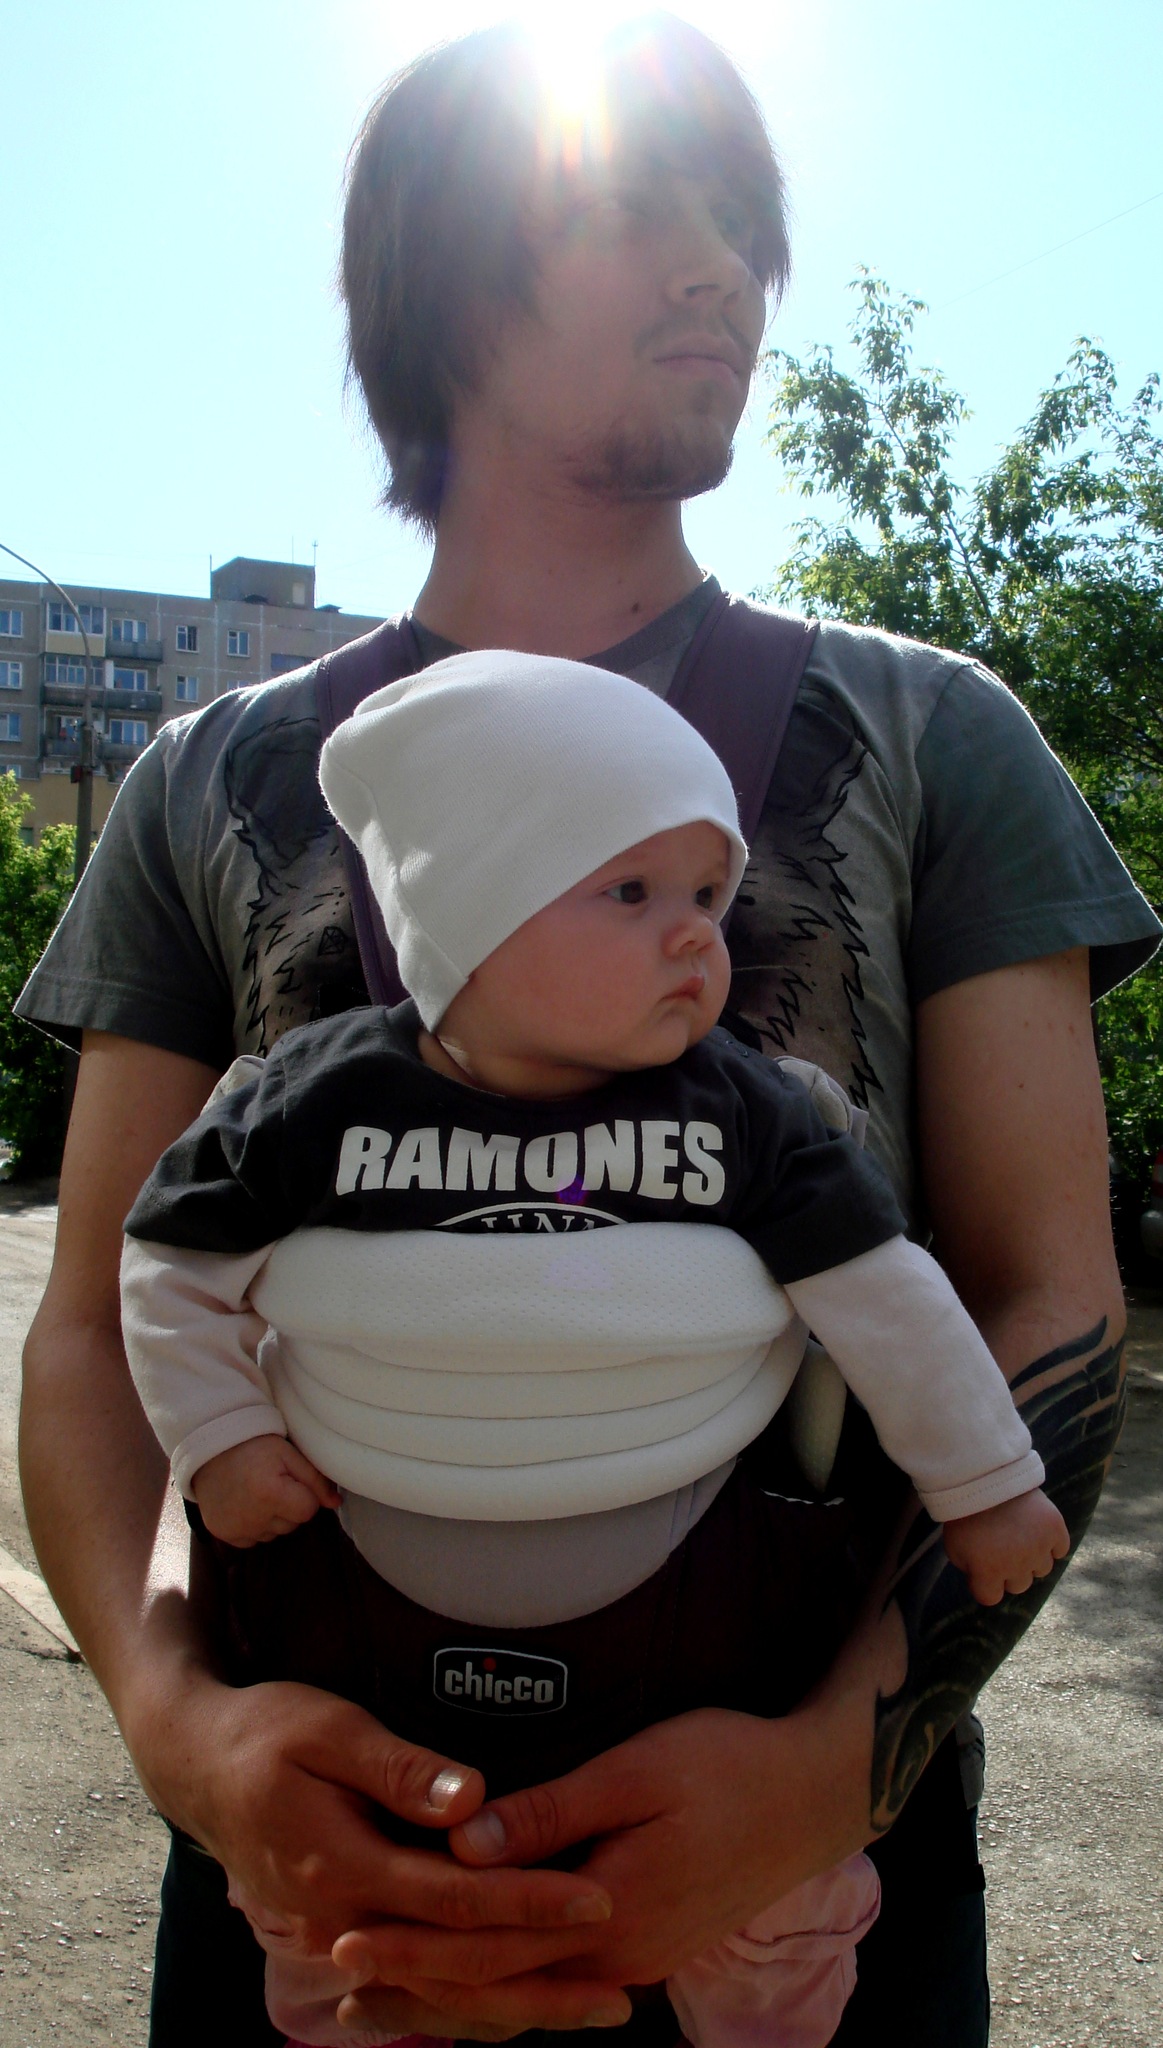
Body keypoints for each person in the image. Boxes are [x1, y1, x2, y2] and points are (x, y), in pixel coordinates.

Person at [16, 15, 1158, 2048]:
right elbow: (108, 1320)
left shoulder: (932, 735)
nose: (727, 269)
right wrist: (189, 1733)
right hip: (317, 1909)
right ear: (444, 278)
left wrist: (830, 1772)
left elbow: (1043, 1298)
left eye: (742, 220)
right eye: (643, 205)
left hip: (809, 1924)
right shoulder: (214, 779)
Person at [119, 651, 1069, 2047]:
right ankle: (337, 1978)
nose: (697, 939)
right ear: (468, 911)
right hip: (352, 1576)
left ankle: (768, 1969)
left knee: (773, 1902)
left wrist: (986, 1483)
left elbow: (888, 1298)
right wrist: (221, 1439)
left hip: (702, 1584)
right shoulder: (312, 1099)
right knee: (340, 1889)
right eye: (631, 894)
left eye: (709, 897)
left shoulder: (747, 1108)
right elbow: (167, 1267)